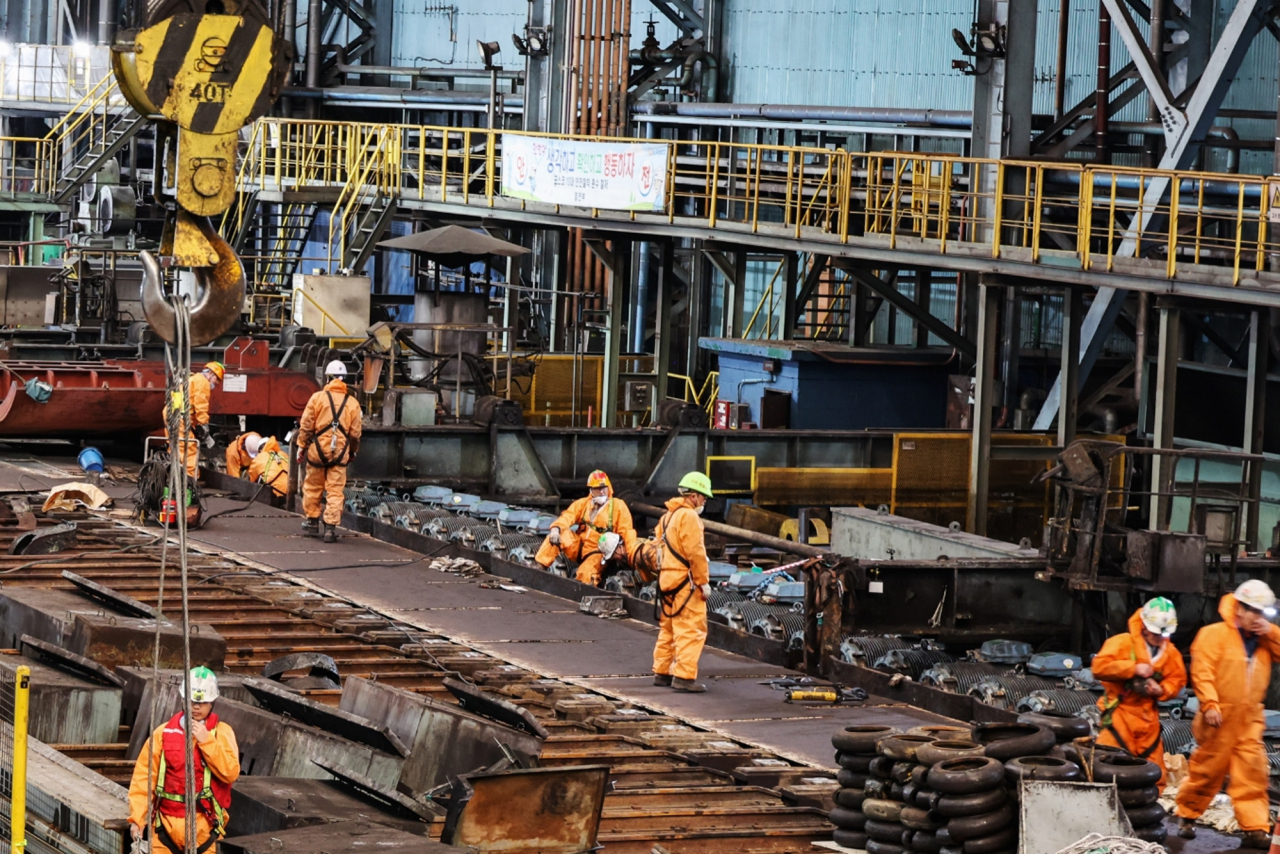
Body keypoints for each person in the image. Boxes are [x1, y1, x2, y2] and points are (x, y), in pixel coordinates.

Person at [1175, 580, 1280, 847]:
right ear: (1240, 610)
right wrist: (1209, 704)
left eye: (1263, 613)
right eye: (1255, 612)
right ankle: (1187, 814)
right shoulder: (1214, 635)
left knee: (1253, 773)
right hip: (1218, 719)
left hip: (1248, 720)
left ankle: (1255, 826)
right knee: (1207, 772)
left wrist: (1271, 632)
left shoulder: (1265, 641)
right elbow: (1203, 672)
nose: (1258, 618)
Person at [128, 667, 240, 854]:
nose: (196, 706)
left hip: (204, 828)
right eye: (192, 701)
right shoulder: (162, 734)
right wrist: (138, 820)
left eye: (202, 702)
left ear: (212, 702)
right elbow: (144, 780)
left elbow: (230, 772)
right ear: (183, 699)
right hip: (165, 828)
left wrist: (207, 741)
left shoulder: (222, 733)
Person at [1091, 597, 1186, 785]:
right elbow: (1099, 667)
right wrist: (1133, 668)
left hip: (1148, 721)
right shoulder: (1122, 643)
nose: (1159, 638)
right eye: (1155, 633)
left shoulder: (1171, 654)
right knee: (1106, 769)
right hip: (1120, 715)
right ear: (1143, 625)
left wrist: (1162, 690)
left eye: (1163, 634)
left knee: (1155, 775)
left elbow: (1177, 679)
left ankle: (1146, 811)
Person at [652, 471, 713, 693]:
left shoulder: (667, 516)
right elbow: (695, 552)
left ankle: (662, 671)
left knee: (668, 628)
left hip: (667, 580)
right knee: (691, 628)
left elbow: (657, 548)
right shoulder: (689, 517)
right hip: (685, 583)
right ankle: (684, 677)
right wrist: (702, 581)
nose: (704, 501)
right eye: (704, 497)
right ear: (694, 496)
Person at [296, 360, 362, 544]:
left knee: (312, 486)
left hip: (318, 450)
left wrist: (301, 446)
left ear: (327, 377)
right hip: (340, 452)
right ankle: (330, 529)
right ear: (344, 380)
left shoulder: (317, 398)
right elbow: (355, 434)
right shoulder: (353, 403)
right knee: (335, 491)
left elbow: (306, 426)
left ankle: (312, 522)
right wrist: (353, 451)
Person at [535, 470, 636, 586]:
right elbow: (568, 516)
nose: (602, 491)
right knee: (559, 536)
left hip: (598, 552)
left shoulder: (618, 506)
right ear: (591, 490)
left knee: (585, 575)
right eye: (598, 488)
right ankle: (539, 567)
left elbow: (627, 532)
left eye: (604, 487)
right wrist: (555, 529)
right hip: (580, 546)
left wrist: (630, 555)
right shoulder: (583, 504)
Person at [164, 362, 222, 480]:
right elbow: (200, 404)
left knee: (175, 448)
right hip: (179, 418)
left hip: (171, 415)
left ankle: (174, 479)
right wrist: (203, 424)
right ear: (210, 374)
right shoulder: (202, 382)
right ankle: (189, 481)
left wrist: (196, 426)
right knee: (188, 448)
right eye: (217, 379)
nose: (217, 383)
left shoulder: (192, 379)